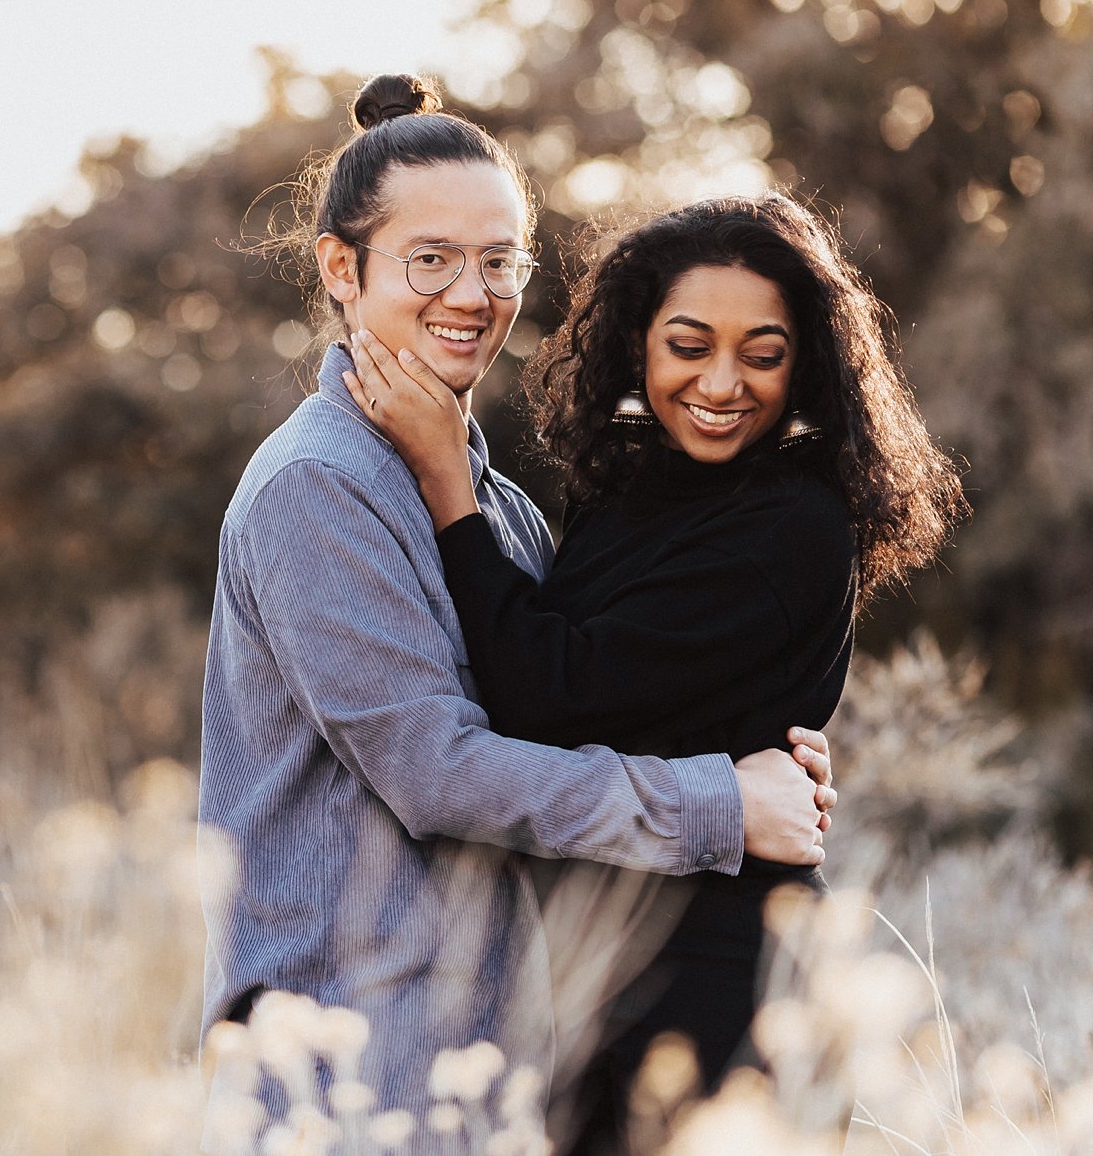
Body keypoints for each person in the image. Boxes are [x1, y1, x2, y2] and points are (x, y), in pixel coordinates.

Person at [199, 75, 836, 1129]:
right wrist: (723, 804)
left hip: (477, 1069)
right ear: (339, 271)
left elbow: (559, 702)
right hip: (347, 1071)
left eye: (497, 262)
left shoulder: (488, 500)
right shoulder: (316, 485)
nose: (470, 294)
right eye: (430, 260)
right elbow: (439, 773)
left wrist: (759, 742)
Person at [343, 191, 964, 1150]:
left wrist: (447, 492)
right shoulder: (632, 488)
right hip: (601, 958)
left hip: (721, 976)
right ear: (639, 345)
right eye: (688, 345)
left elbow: (549, 691)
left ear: (806, 369)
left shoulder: (794, 527)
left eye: (763, 353)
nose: (722, 383)